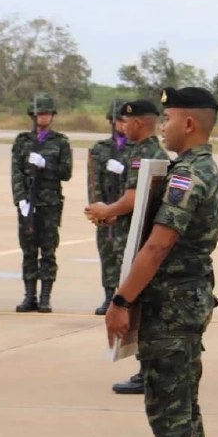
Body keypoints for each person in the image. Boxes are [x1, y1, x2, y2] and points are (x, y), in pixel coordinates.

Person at [105, 86, 218, 437]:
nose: (163, 126)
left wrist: (121, 302)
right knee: (182, 404)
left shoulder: (186, 177)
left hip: (172, 306)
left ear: (189, 124)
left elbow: (158, 244)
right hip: (186, 301)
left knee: (169, 406)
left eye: (169, 119)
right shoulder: (199, 169)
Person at [87, 99, 170, 395]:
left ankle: (146, 370)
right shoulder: (156, 152)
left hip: (135, 240)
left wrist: (106, 210)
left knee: (139, 305)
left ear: (136, 123)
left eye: (125, 121)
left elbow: (133, 199)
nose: (122, 126)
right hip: (138, 233)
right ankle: (149, 369)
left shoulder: (141, 154)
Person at [11, 93, 74, 313]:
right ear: (33, 115)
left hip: (49, 203)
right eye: (40, 113)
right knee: (28, 250)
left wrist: (46, 164)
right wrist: (20, 200)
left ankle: (45, 297)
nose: (43, 117)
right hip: (28, 202)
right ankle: (30, 296)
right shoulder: (22, 141)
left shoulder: (60, 142)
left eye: (47, 113)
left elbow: (66, 173)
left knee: (48, 251)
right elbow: (16, 173)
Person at [88, 100, 130, 315]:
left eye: (125, 120)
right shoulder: (100, 149)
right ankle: (107, 297)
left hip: (126, 212)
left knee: (126, 256)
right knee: (107, 255)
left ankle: (124, 297)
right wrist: (99, 209)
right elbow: (94, 180)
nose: (122, 124)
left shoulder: (135, 148)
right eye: (118, 120)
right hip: (105, 209)